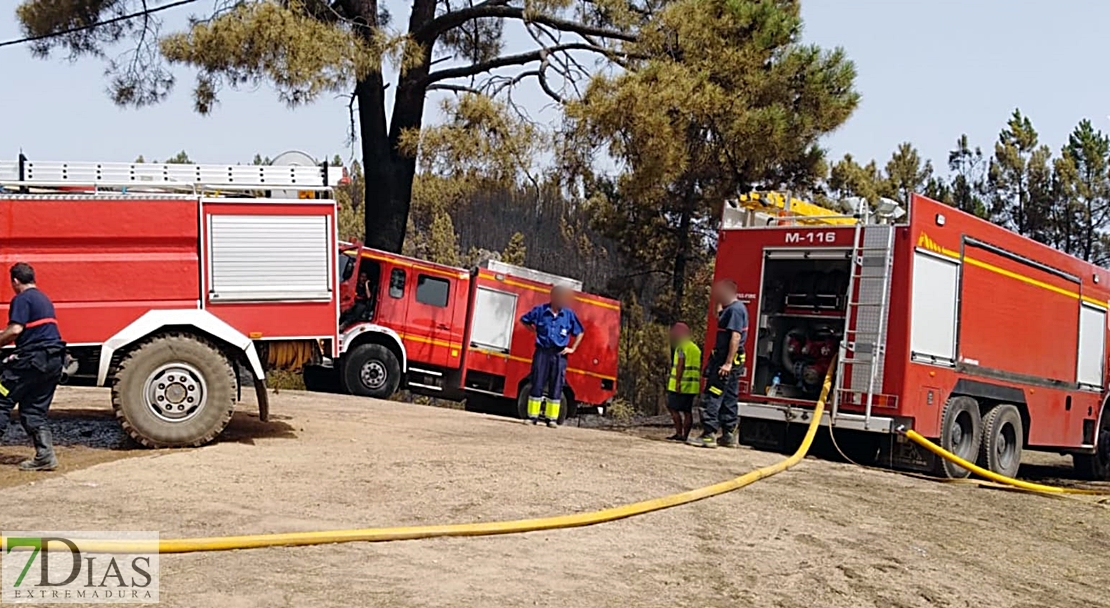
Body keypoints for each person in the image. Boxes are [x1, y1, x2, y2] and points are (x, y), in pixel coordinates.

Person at [0, 263, 66, 471]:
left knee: (1, 398)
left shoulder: (21, 298)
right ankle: (45, 456)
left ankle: (45, 456)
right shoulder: (43, 298)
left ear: (15, 281)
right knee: (33, 409)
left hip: (32, 360)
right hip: (53, 362)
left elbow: (15, 329)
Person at [688, 279, 747, 449]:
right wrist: (717, 301)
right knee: (729, 397)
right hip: (729, 361)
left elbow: (735, 337)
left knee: (713, 395)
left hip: (725, 362)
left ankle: (708, 435)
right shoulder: (731, 309)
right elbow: (718, 316)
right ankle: (728, 435)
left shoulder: (735, 311)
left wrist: (727, 363)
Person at [520, 285, 584, 428]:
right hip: (542, 352)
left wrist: (572, 348)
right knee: (537, 382)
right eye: (559, 297)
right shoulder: (540, 311)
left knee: (557, 385)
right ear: (553, 297)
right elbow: (524, 320)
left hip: (559, 355)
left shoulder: (569, 315)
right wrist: (533, 331)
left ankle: (551, 419)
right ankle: (532, 417)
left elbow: (580, 331)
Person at [665, 322, 701, 441]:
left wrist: (677, 382)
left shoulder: (682, 348)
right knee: (687, 411)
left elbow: (680, 365)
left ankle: (679, 433)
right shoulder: (696, 349)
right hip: (692, 386)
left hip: (681, 384)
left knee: (672, 407)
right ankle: (685, 436)